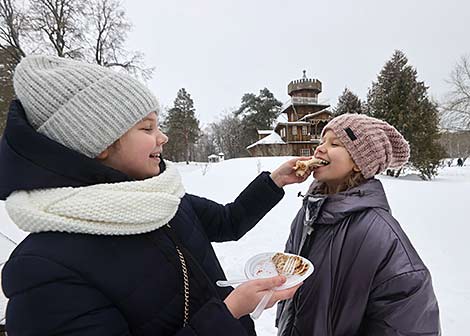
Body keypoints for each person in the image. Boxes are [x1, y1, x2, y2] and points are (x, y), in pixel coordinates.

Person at [0, 55, 309, 336]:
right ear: (99, 143)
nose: (163, 137)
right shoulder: (42, 271)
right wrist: (228, 313)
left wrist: (275, 181)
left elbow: (228, 221)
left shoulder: (163, 200)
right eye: (147, 128)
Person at [276, 114, 441, 335]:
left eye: (335, 144)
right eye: (321, 142)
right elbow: (291, 272)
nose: (320, 149)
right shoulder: (307, 214)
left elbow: (410, 322)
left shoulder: (380, 234)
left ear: (358, 162)